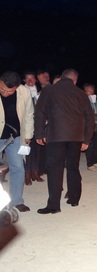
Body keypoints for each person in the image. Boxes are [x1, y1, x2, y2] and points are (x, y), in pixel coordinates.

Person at [35, 69, 94, 214]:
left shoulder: (49, 90)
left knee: (55, 169)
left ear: (61, 78)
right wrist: (87, 138)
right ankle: (74, 199)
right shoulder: (81, 93)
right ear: (75, 80)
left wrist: (39, 133)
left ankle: (54, 205)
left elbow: (40, 112)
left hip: (56, 135)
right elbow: (90, 117)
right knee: (73, 167)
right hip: (76, 137)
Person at [0, 71, 34, 212]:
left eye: (9, 91)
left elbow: (29, 114)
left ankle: (16, 201)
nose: (4, 93)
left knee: (18, 168)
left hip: (14, 136)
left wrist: (28, 134)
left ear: (16, 87)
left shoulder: (24, 92)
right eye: (1, 89)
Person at [22, 71, 44, 185]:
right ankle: (27, 173)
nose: (30, 81)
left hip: (38, 124)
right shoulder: (21, 91)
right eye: (27, 79)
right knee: (26, 150)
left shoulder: (40, 91)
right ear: (24, 80)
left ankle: (35, 172)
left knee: (36, 149)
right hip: (26, 124)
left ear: (36, 80)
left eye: (32, 79)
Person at [84, 83, 97, 171]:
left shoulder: (96, 101)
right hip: (89, 126)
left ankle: (95, 161)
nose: (91, 92)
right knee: (90, 145)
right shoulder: (84, 101)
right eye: (89, 91)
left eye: (92, 91)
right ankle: (89, 163)